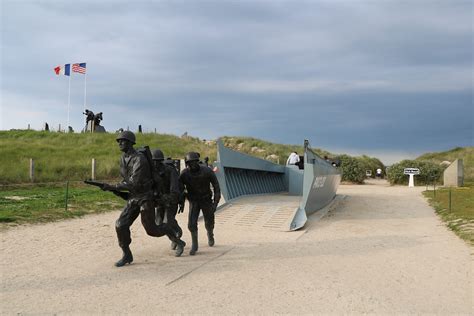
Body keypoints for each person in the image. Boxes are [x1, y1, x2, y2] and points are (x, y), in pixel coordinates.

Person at [101, 131, 186, 267]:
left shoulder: (139, 159)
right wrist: (114, 188)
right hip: (133, 197)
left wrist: (113, 187)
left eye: (122, 141)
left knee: (152, 230)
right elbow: (125, 179)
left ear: (130, 143)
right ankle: (127, 254)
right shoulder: (123, 158)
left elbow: (134, 182)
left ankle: (177, 239)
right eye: (119, 141)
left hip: (145, 198)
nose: (120, 143)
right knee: (120, 225)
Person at [179, 152, 221, 255]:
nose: (192, 165)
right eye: (189, 163)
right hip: (194, 201)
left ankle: (210, 234)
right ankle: (195, 244)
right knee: (191, 224)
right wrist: (181, 199)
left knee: (209, 222)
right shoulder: (184, 174)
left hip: (206, 200)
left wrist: (215, 204)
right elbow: (179, 189)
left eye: (193, 162)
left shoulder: (207, 171)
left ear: (197, 162)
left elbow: (216, 187)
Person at [151, 149, 183, 250]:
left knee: (166, 223)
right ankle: (176, 230)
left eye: (157, 161)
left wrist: (168, 198)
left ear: (160, 161)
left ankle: (177, 238)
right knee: (158, 223)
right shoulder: (152, 172)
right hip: (160, 202)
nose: (155, 164)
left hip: (171, 201)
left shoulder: (170, 170)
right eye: (153, 161)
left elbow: (175, 190)